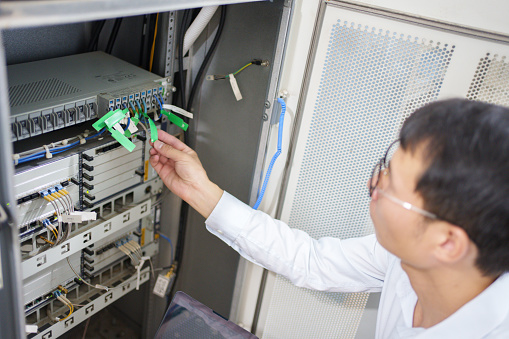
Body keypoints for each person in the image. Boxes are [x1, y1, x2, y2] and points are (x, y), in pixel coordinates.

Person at [149, 99, 509, 338]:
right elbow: (311, 261)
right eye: (385, 166)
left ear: (447, 242)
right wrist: (201, 191)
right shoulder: (409, 258)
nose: (372, 183)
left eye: (390, 184)